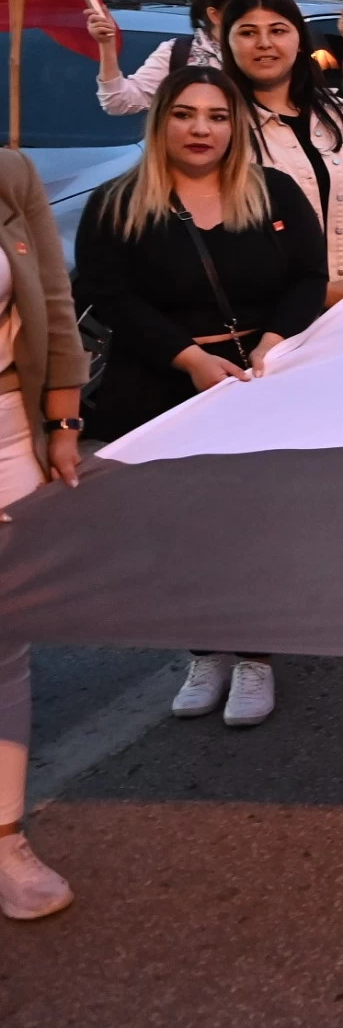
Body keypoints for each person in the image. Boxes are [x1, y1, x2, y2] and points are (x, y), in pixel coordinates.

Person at [74, 66, 327, 727]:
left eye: (216, 116)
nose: (201, 129)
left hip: (255, 380)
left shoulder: (271, 191)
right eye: (185, 114)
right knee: (175, 530)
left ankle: (253, 656)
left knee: (250, 524)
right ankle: (203, 649)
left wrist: (275, 341)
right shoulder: (117, 202)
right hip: (161, 381)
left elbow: (308, 276)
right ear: (161, 122)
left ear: (235, 125)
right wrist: (188, 358)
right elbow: (108, 295)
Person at [0, 140, 89, 918]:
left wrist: (63, 417)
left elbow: (53, 298)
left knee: (6, 640)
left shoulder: (12, 172)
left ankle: (6, 841)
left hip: (7, 431)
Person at [220, 0, 343, 309]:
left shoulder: (342, 116)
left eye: (278, 30)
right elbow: (224, 243)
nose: (264, 43)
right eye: (247, 32)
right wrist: (319, 293)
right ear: (228, 43)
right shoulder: (221, 127)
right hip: (269, 322)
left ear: (300, 41)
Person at [90, 0, 242, 116]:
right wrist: (107, 44)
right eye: (242, 9)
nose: (253, 15)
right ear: (214, 15)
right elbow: (118, 102)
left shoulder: (262, 53)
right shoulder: (178, 53)